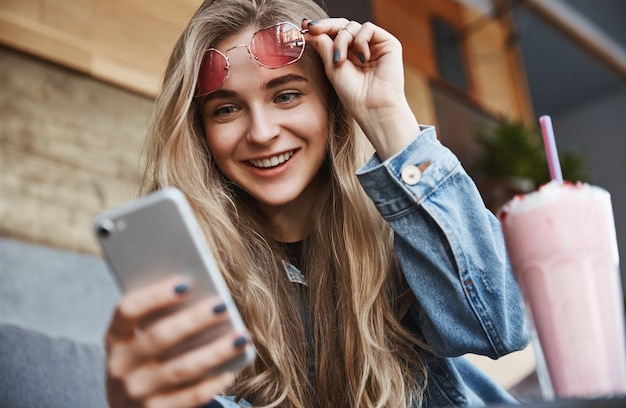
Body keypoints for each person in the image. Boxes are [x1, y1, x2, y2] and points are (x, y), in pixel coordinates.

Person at [104, 0, 529, 407]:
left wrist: (386, 115)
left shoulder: (403, 234)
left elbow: (498, 328)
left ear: (333, 104)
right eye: (227, 108)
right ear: (200, 133)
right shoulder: (195, 277)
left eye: (286, 95)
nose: (262, 132)